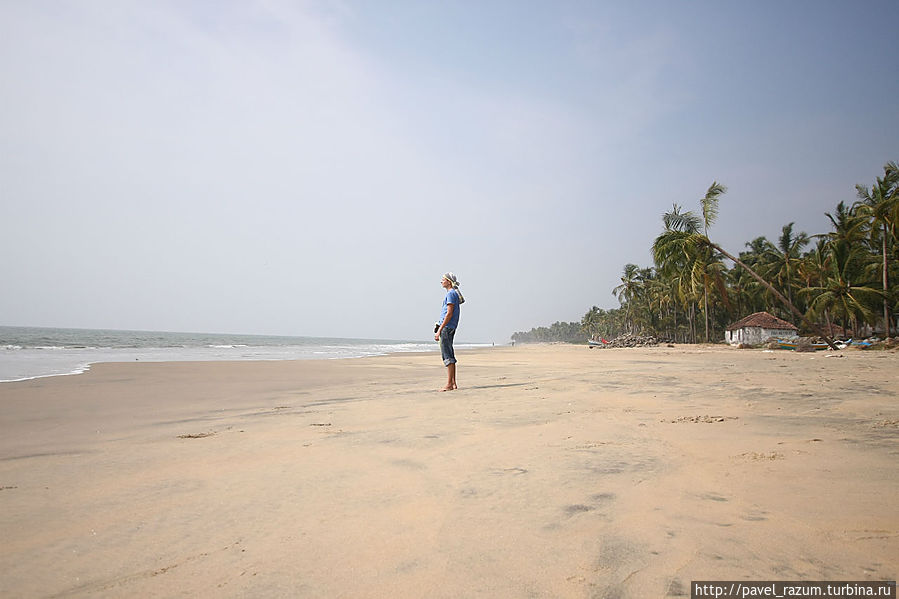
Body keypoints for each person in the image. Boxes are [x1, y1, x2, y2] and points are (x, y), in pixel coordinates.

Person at [435, 272, 463, 391]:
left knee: (447, 355)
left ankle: (449, 384)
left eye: (443, 279)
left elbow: (449, 313)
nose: (441, 281)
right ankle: (453, 383)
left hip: (446, 327)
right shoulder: (452, 294)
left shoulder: (451, 294)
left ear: (449, 281)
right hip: (449, 327)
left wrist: (439, 329)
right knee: (450, 353)